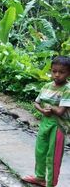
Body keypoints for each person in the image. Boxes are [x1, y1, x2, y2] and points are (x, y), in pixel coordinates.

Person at [23, 56, 70, 187]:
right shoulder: (46, 86)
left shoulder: (67, 89)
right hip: (45, 123)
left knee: (53, 157)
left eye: (62, 72)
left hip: (58, 127)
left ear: (69, 73)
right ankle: (40, 177)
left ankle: (50, 183)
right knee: (40, 151)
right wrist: (43, 111)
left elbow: (60, 111)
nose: (57, 75)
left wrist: (50, 108)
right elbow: (36, 103)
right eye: (54, 71)